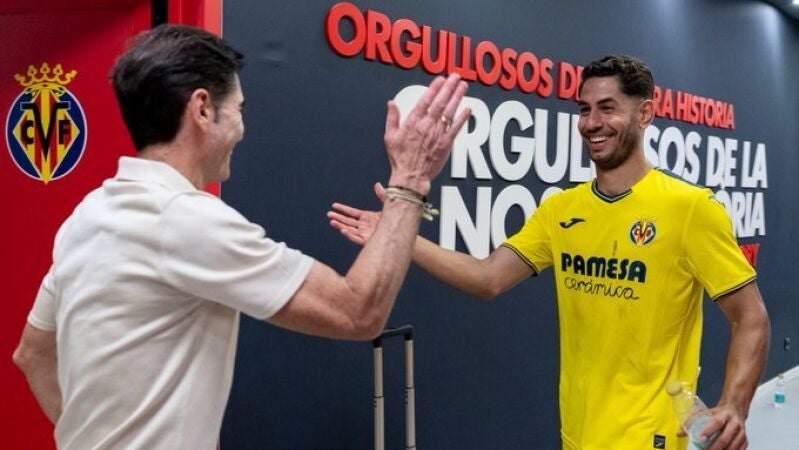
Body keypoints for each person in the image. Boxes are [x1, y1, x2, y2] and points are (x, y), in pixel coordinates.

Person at [12, 24, 470, 450]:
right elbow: (358, 311)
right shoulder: (183, 217)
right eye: (238, 109)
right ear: (202, 109)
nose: (242, 128)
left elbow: (33, 354)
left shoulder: (88, 215)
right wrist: (410, 178)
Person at [328, 55, 770, 450]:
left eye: (608, 108)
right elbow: (487, 278)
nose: (592, 122)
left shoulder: (690, 208)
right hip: (577, 432)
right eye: (584, 109)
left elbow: (750, 318)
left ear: (645, 114)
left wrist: (734, 406)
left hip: (650, 437)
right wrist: (400, 236)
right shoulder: (561, 210)